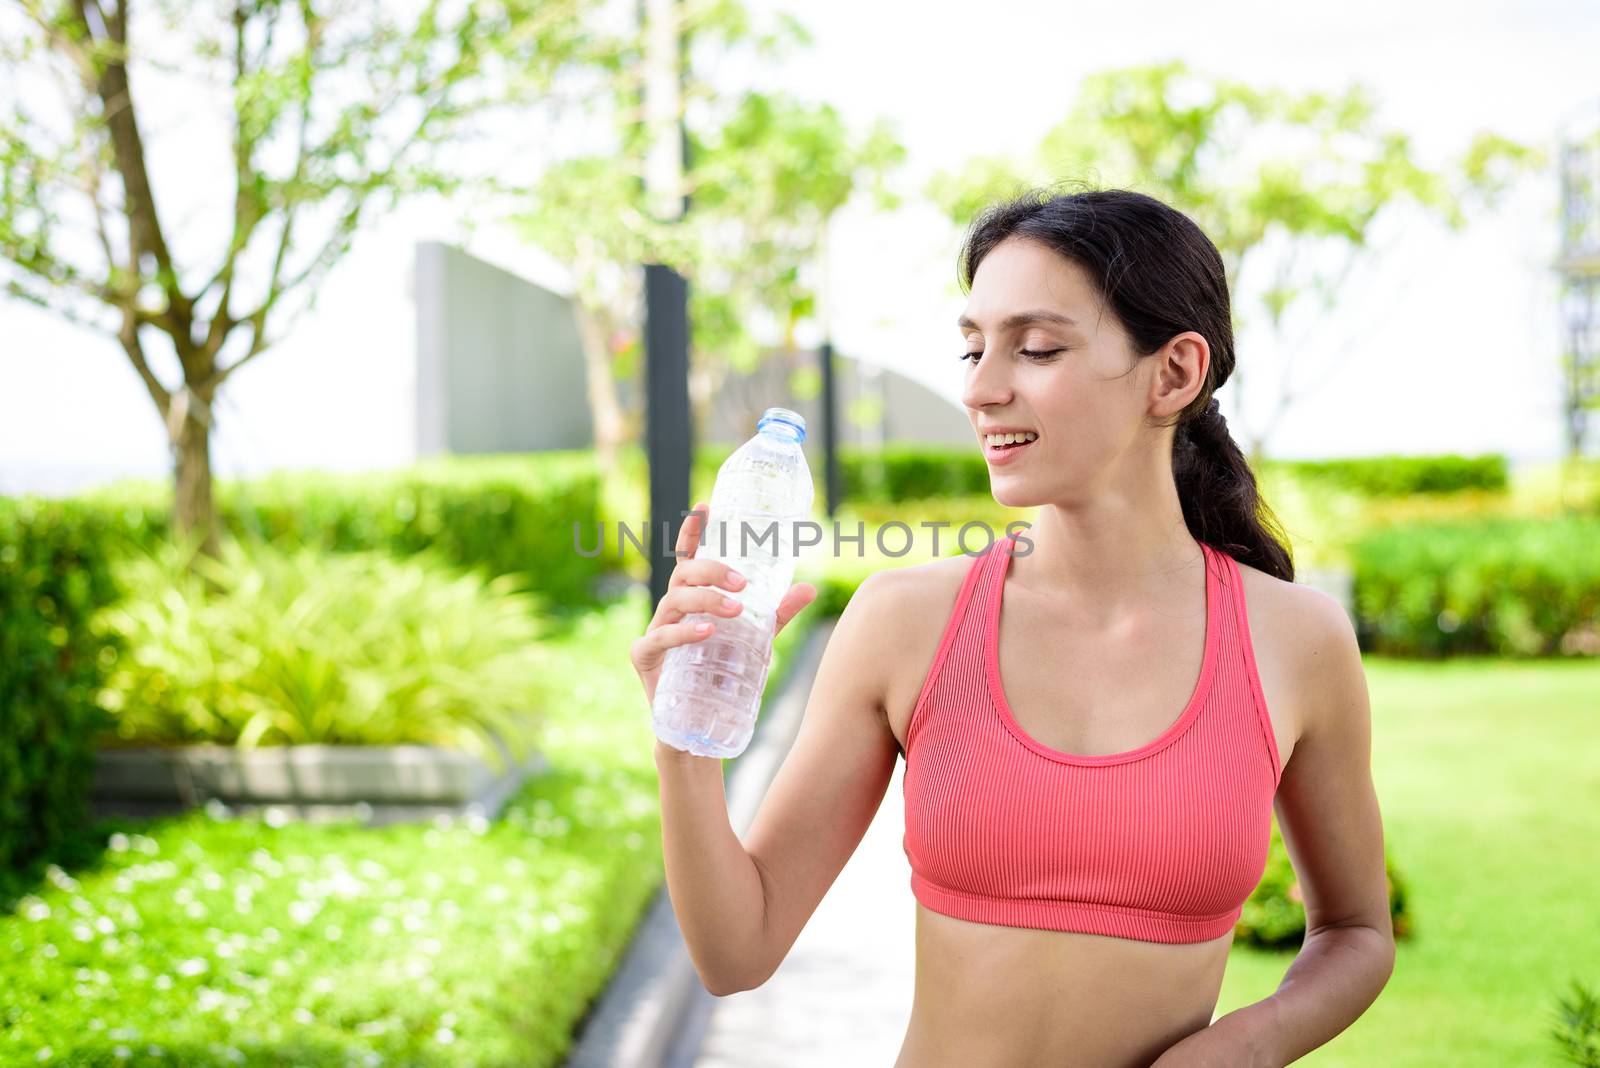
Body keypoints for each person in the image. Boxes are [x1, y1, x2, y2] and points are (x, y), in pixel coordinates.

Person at [631, 186, 1395, 1067]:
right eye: (971, 349)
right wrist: (684, 741)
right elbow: (737, 951)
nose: (982, 389)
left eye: (1036, 348)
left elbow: (1355, 931)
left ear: (1175, 373)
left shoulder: (1295, 641)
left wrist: (1247, 1046)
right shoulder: (906, 620)